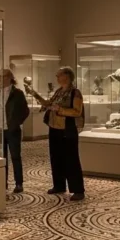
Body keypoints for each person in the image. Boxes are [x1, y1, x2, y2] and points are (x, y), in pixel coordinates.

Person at [33, 67, 85, 201]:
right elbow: (49, 104)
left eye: (59, 75)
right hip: (54, 127)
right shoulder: (58, 92)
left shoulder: (75, 93)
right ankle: (59, 184)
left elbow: (77, 112)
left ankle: (78, 189)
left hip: (67, 129)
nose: (57, 77)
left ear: (67, 76)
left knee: (71, 159)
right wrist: (35, 95)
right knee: (55, 157)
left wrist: (60, 109)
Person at [0, 68, 29, 193]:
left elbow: (25, 111)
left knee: (15, 156)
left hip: (12, 129)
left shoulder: (17, 93)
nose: (0, 79)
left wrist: (16, 123)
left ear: (9, 78)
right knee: (1, 157)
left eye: (3, 77)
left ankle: (19, 183)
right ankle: (2, 182)